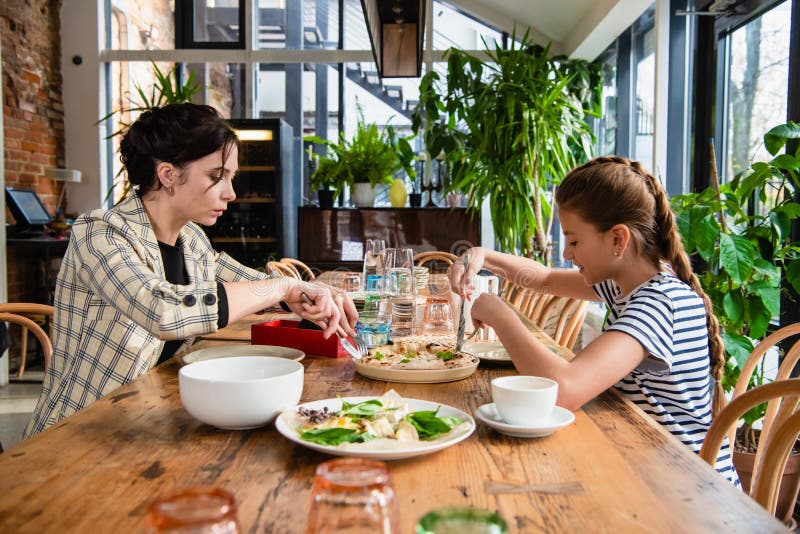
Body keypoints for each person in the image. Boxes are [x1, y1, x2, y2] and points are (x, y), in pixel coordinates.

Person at [24, 103, 356, 437]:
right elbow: (162, 309)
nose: (231, 192)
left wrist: (307, 292)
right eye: (217, 176)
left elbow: (246, 280)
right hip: (79, 432)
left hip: (149, 417)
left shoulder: (191, 238)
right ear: (168, 175)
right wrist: (282, 288)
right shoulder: (99, 232)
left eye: (231, 178)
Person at [450, 156, 738, 486]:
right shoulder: (626, 283)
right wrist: (483, 255)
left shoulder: (660, 304)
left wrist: (500, 314)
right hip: (642, 464)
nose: (567, 253)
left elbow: (564, 391)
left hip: (688, 491)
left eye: (574, 241)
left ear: (618, 239)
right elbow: (543, 279)